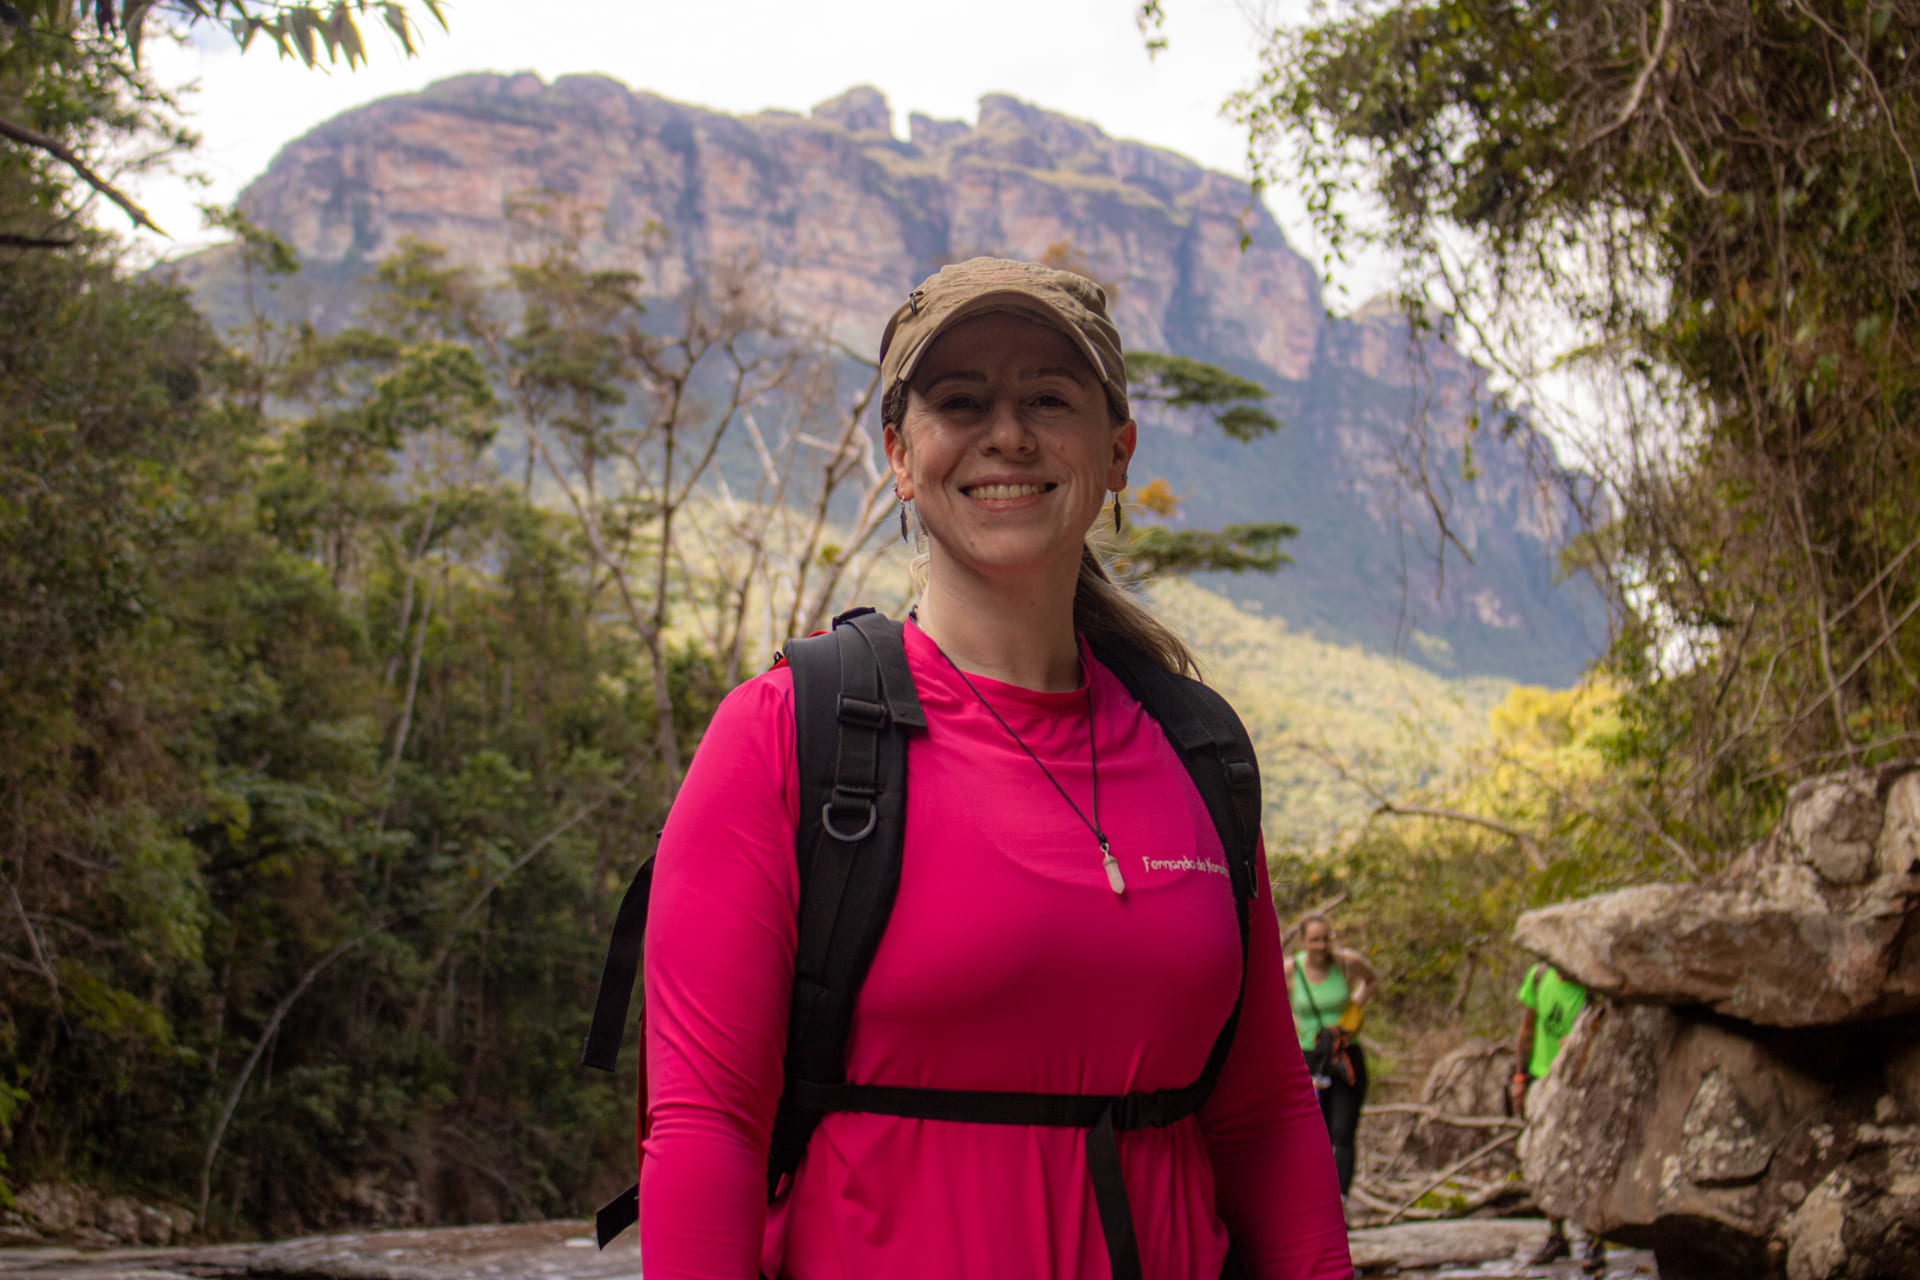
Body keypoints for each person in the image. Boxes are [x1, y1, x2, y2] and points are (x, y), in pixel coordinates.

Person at [637, 258, 1352, 1279]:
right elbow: (703, 1126)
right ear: (898, 452)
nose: (1006, 433)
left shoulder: (1199, 752)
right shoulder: (790, 739)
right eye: (959, 401)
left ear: (1116, 451)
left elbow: (1266, 1117)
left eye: (1048, 398)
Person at [1510, 961, 1601, 1273]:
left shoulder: (1592, 984)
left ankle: (1593, 1240)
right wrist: (1520, 1078)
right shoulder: (1538, 976)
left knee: (1585, 1159)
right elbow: (1527, 1026)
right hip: (1541, 1078)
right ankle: (1556, 1236)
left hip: (1578, 1082)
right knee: (1543, 1157)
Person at [1281, 913, 1378, 1199]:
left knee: (1343, 1131)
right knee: (1313, 1132)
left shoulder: (1346, 963)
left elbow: (1371, 981)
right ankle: (1315, 1199)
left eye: (1326, 938)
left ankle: (1341, 1201)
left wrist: (1353, 1009)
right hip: (1310, 1059)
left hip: (1346, 1056)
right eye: (1314, 940)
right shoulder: (1290, 971)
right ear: (1302, 941)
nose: (1321, 945)